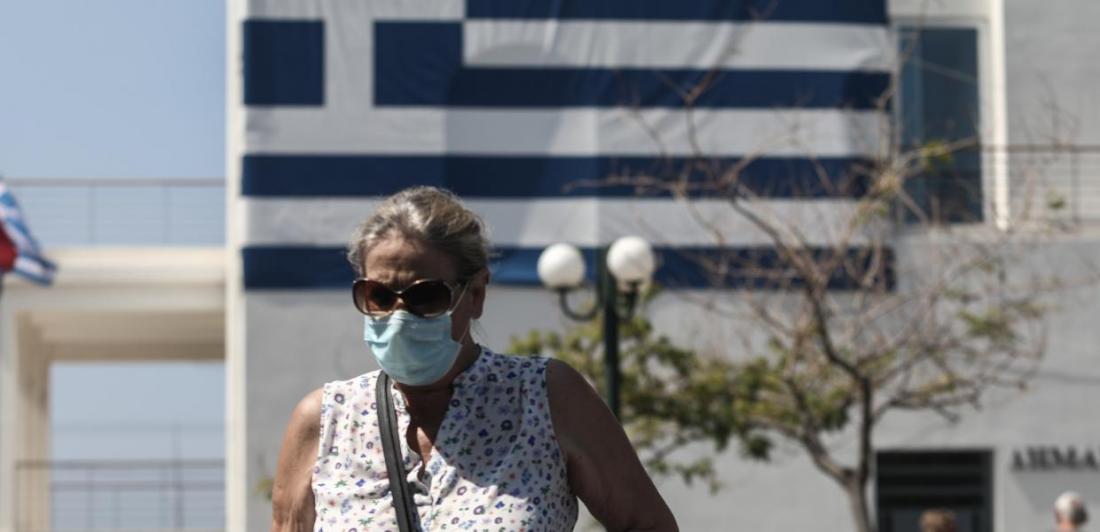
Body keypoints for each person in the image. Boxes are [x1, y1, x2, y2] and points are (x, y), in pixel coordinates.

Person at [270, 186, 678, 531]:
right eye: (378, 296)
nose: (399, 316)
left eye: (426, 296)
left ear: (476, 294)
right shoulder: (325, 420)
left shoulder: (545, 397)